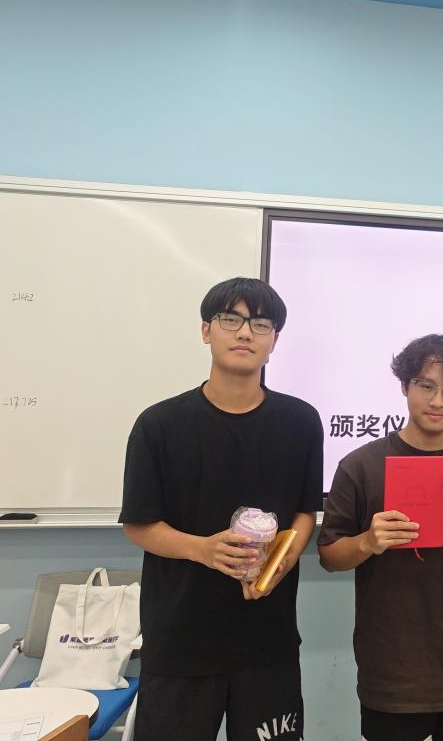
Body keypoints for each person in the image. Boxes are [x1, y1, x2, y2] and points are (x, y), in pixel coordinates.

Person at [120, 277, 323, 740]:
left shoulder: (300, 421)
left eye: (261, 324)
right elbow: (139, 524)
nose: (245, 332)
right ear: (206, 330)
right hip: (180, 639)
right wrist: (203, 550)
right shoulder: (159, 424)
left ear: (274, 340)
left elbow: (304, 513)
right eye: (231, 319)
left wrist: (283, 560)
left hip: (266, 637)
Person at [318, 334, 443, 741]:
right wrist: (367, 542)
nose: (438, 401)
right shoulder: (361, 465)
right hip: (393, 671)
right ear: (404, 386)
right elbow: (329, 555)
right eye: (425, 385)